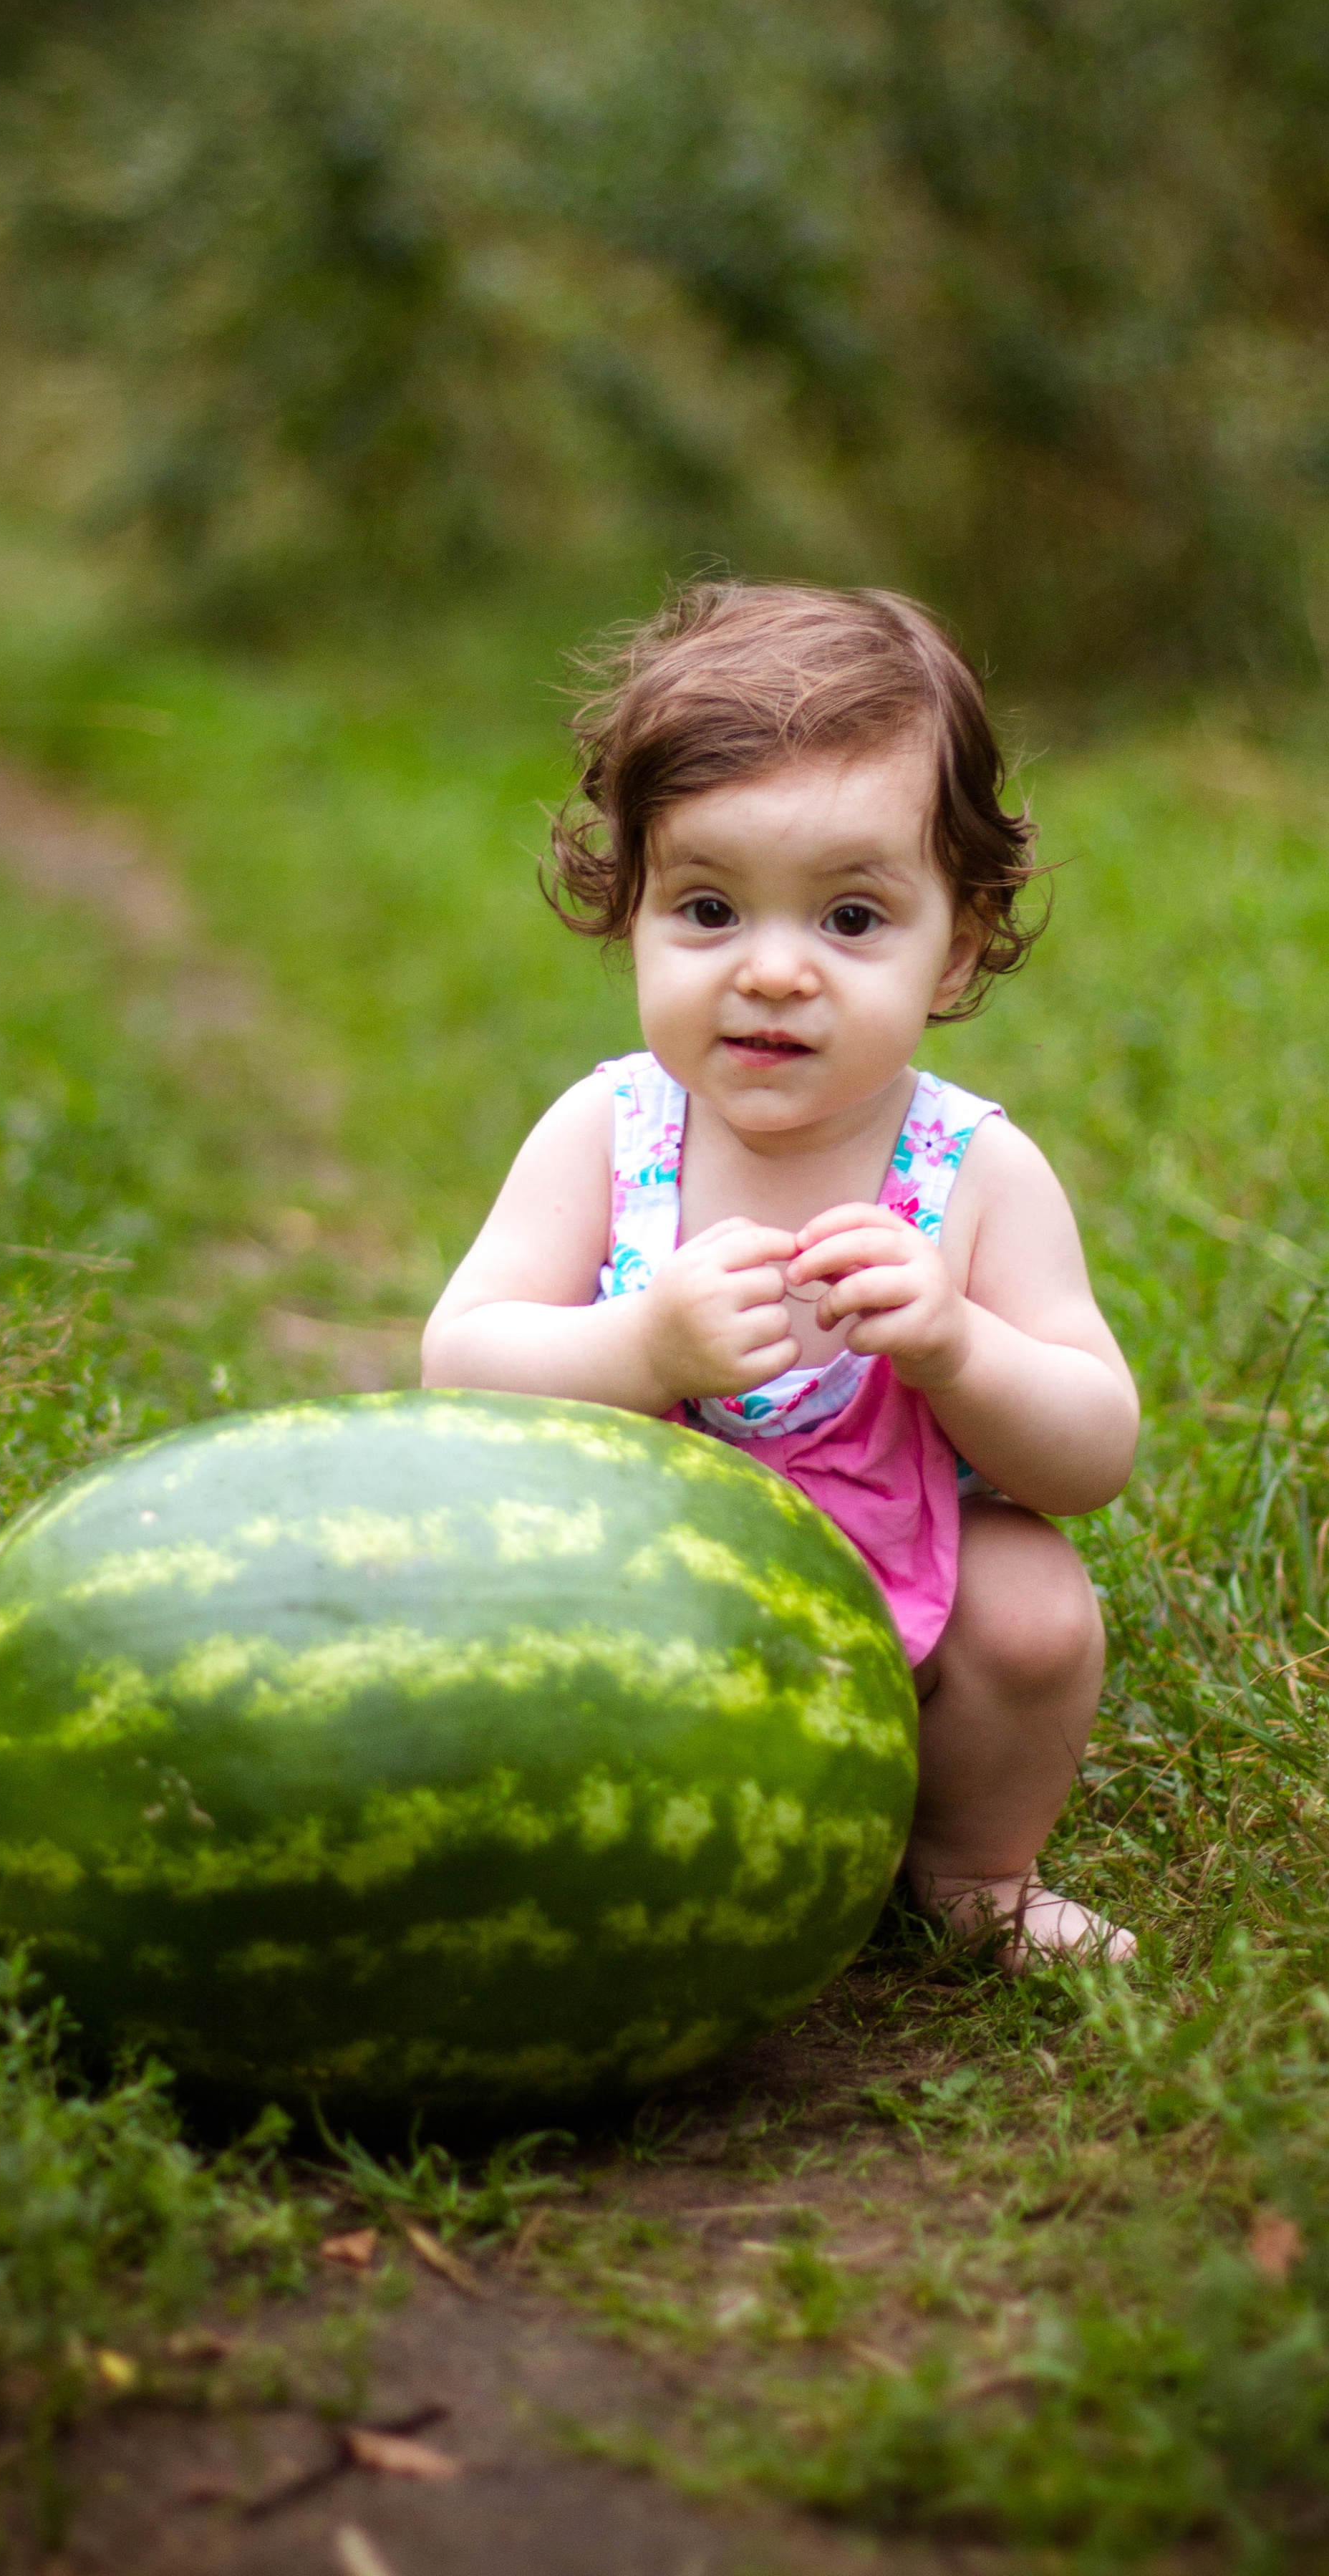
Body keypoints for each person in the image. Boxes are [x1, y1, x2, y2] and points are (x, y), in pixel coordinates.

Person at [422, 582, 1139, 1970]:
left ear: (963, 941)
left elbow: (1092, 1448)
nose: (769, 973)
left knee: (1039, 1610)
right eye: (706, 908)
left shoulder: (972, 1174)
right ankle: (607, 1851)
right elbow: (460, 1357)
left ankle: (968, 1869)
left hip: (902, 1600)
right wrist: (639, 1353)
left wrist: (953, 1348)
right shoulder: (609, 1132)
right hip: (635, 1602)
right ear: (627, 907)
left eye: (850, 920)